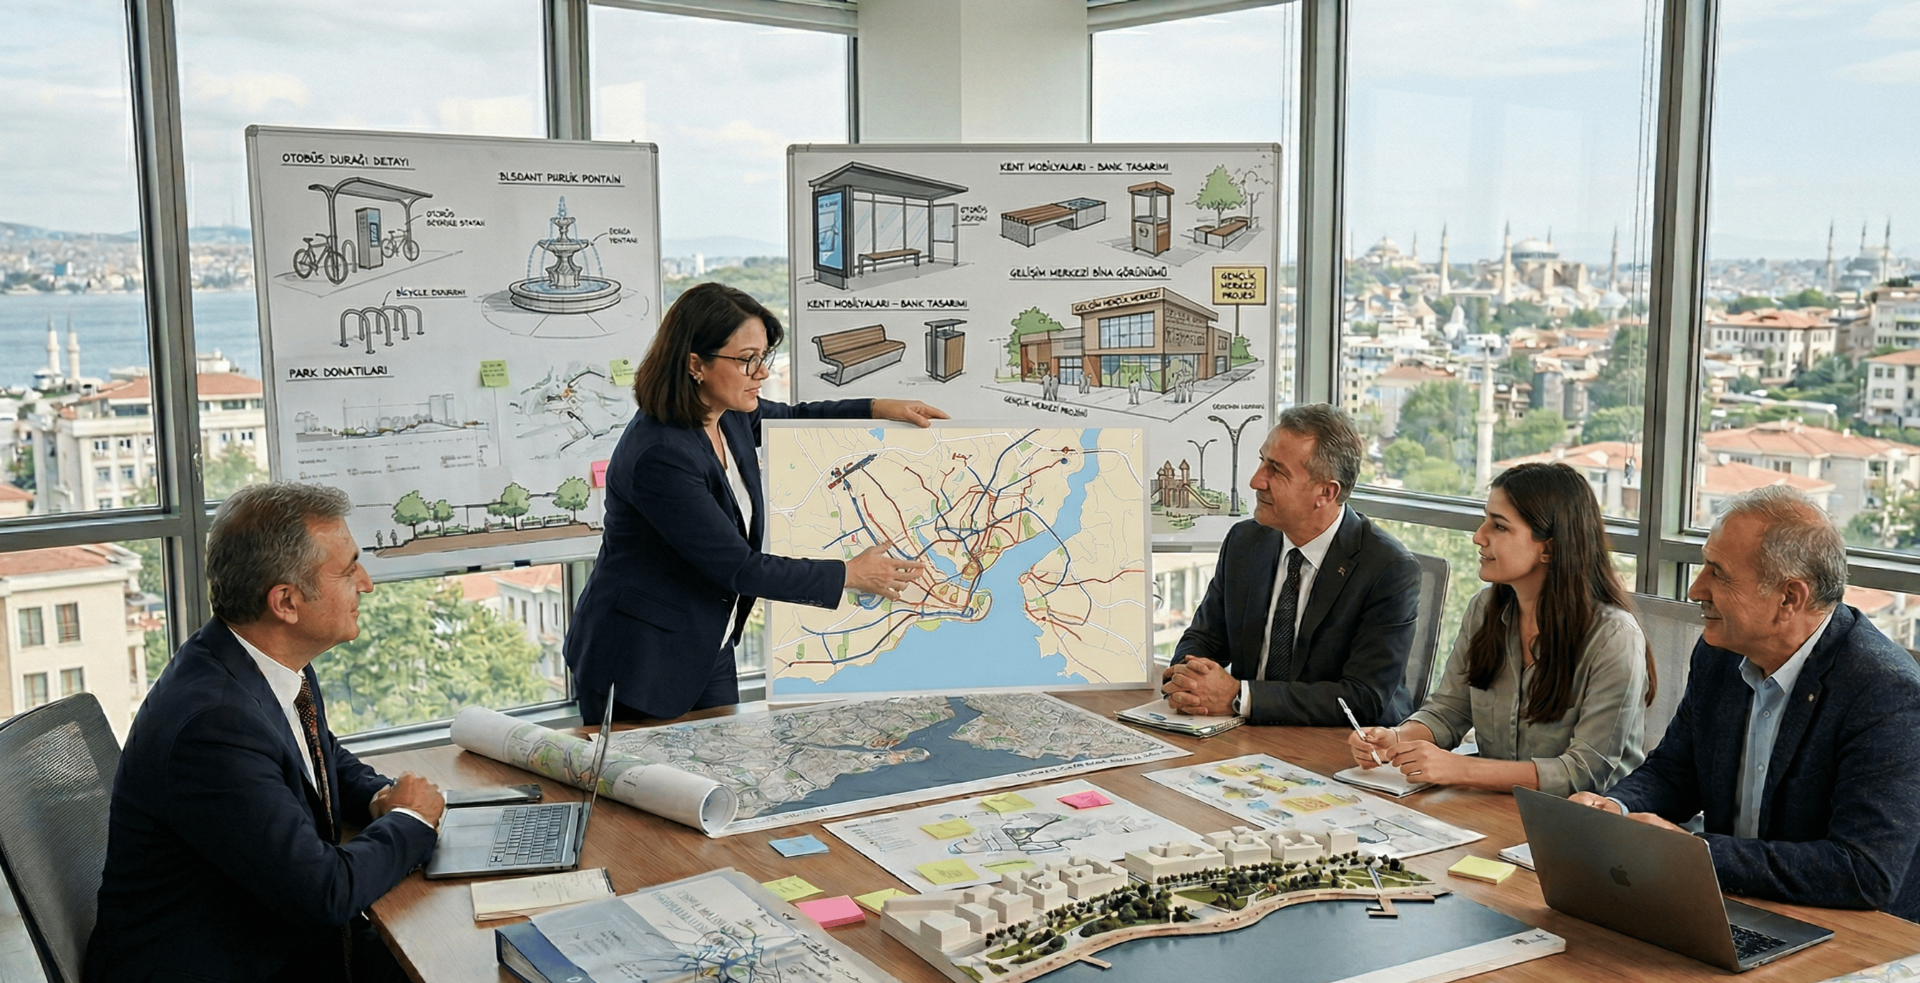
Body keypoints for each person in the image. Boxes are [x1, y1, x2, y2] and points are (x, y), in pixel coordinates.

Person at [86, 482, 445, 983]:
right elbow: (325, 892)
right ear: (286, 602)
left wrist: (378, 797)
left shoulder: (258, 660)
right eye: (348, 570)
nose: (365, 584)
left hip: (270, 937)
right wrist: (412, 819)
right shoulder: (211, 727)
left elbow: (316, 757)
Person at [564, 283, 948, 723]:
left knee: (721, 760)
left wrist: (878, 408)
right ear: (695, 364)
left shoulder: (729, 414)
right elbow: (738, 567)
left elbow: (795, 420)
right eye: (747, 359)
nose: (762, 372)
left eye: (764, 356)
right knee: (651, 770)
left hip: (707, 642)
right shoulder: (661, 455)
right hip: (641, 658)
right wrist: (851, 574)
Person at [1568, 486, 1920, 921]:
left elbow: (1863, 871)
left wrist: (1694, 853)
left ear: (1789, 598)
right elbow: (1676, 772)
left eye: (1718, 574)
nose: (1696, 589)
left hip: (1846, 931)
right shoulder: (1719, 653)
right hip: (1734, 906)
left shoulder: (1886, 691)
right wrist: (1614, 809)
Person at [1346, 462, 1654, 795]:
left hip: (1581, 819)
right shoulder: (1484, 609)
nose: (1479, 536)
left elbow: (1584, 772)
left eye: (1499, 526)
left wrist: (1461, 768)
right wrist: (1398, 738)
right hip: (1495, 806)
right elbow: (1450, 710)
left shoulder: (1613, 638)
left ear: (1549, 547)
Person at [1163, 403, 1420, 726]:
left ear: (1326, 492)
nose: (1256, 481)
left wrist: (1241, 697)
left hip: (1339, 742)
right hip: (1243, 735)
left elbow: (1363, 697)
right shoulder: (1245, 541)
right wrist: (1188, 679)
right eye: (1262, 461)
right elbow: (1205, 638)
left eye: (1276, 470)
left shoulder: (1388, 568)